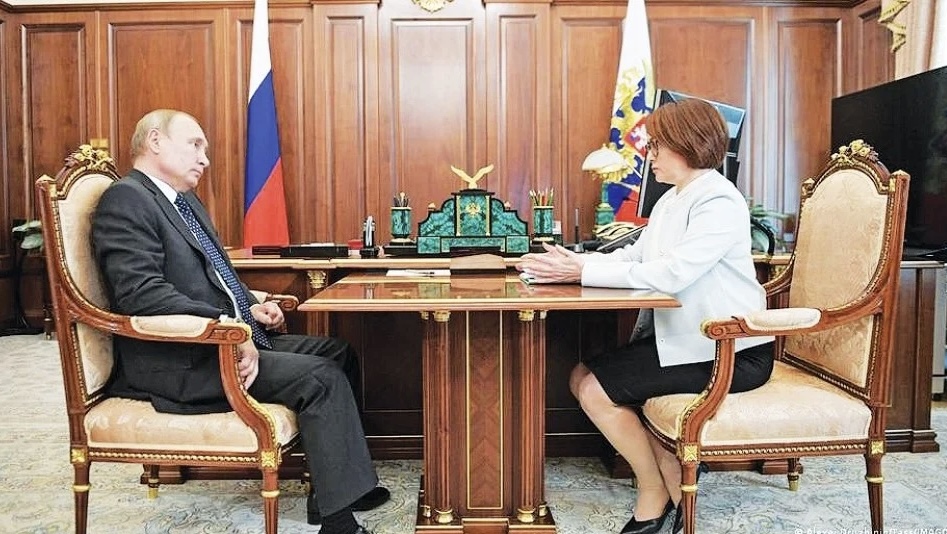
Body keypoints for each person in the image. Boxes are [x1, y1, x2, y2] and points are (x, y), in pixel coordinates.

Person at [91, 109, 388, 534]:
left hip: (220, 340)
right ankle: (339, 524)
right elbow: (141, 294)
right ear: (155, 141)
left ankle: (332, 491)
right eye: (195, 144)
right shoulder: (126, 199)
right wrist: (228, 325)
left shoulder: (183, 201)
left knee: (338, 353)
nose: (205, 158)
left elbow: (216, 275)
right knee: (320, 378)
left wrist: (251, 306)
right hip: (180, 358)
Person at [517, 98, 775, 534]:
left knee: (595, 389)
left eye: (656, 145)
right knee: (581, 376)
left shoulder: (718, 200)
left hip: (729, 348)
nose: (648, 155)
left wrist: (581, 272)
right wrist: (576, 263)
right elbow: (636, 256)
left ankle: (654, 492)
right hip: (689, 343)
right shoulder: (671, 200)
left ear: (687, 143)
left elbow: (675, 273)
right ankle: (669, 481)